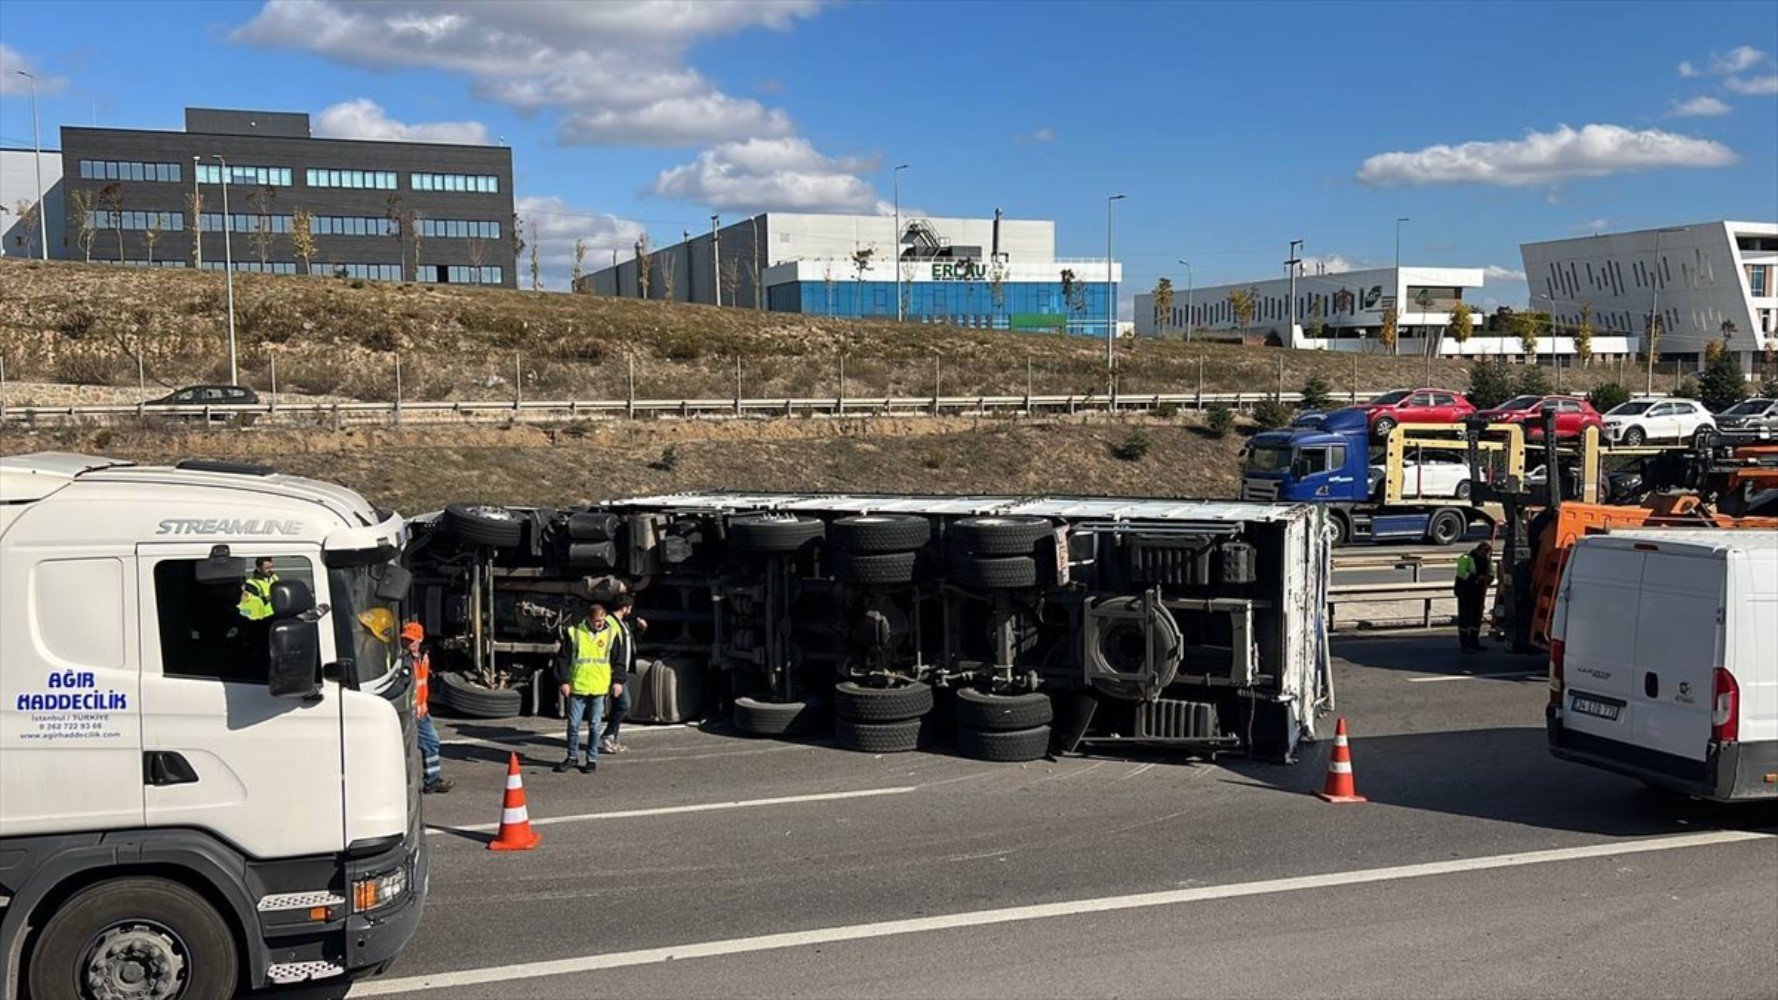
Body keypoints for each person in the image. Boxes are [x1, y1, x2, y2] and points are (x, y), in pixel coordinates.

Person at [555, 603, 624, 774]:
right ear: (588, 619)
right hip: (578, 686)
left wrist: (618, 681)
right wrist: (563, 681)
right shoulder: (575, 633)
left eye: (602, 620)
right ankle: (572, 756)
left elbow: (618, 660)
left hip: (599, 687)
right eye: (596, 621)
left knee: (595, 725)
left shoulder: (611, 634)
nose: (600, 624)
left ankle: (591, 759)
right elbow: (563, 658)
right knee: (573, 725)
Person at [403, 622, 452, 794]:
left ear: (420, 639)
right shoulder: (405, 660)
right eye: (407, 640)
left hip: (421, 711)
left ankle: (432, 780)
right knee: (421, 744)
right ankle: (430, 780)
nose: (409, 643)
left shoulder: (423, 657)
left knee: (431, 742)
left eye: (412, 640)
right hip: (411, 712)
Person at [601, 595, 648, 755]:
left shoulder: (622, 623)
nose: (631, 610)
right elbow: (614, 650)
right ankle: (607, 735)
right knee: (623, 704)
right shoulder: (610, 623)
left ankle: (612, 738)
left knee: (618, 705)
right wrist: (617, 678)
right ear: (625, 607)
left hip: (622, 672)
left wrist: (639, 629)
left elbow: (629, 642)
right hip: (614, 672)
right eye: (630, 607)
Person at [1453, 541, 1494, 653]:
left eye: (1487, 553)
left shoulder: (1487, 560)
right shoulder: (1465, 558)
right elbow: (1462, 573)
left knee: (1476, 617)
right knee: (1465, 617)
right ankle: (1465, 644)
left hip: (1478, 592)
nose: (1484, 554)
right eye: (1484, 552)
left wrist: (1489, 578)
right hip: (1465, 591)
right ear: (1478, 550)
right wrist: (1477, 578)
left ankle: (1474, 641)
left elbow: (1492, 573)